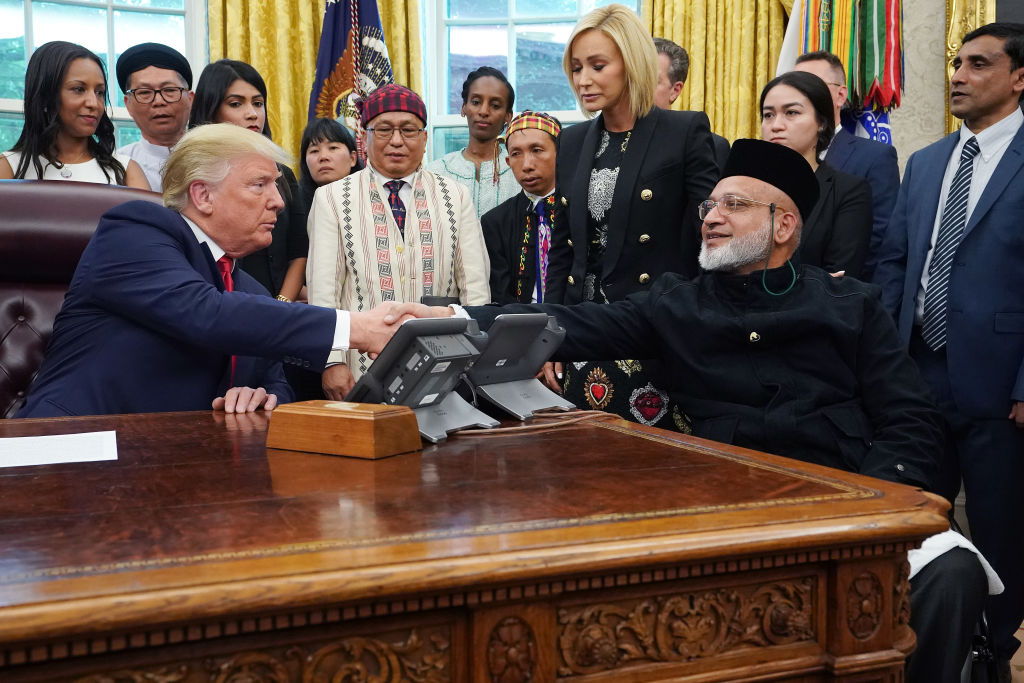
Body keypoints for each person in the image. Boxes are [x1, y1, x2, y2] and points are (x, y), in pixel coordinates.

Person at [432, 139, 993, 683]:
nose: (712, 216)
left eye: (735, 204)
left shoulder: (850, 304)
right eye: (710, 205)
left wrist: (878, 502)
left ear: (783, 225)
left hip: (847, 493)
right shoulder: (676, 302)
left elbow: (910, 417)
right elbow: (566, 323)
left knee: (951, 573)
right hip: (725, 509)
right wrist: (452, 315)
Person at [15, 123, 419, 419]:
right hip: (74, 451)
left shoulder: (251, 292)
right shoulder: (133, 231)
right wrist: (359, 327)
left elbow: (276, 379)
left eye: (276, 187)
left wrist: (262, 396)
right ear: (203, 195)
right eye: (260, 185)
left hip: (182, 476)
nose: (278, 202)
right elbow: (205, 313)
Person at [873, 22, 1024, 680]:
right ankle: (925, 644)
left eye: (978, 64)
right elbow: (895, 265)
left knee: (1000, 528)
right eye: (956, 63)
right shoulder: (927, 160)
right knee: (918, 524)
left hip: (998, 383)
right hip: (916, 375)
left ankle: (995, 652)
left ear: (1019, 77)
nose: (958, 75)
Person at [547, 4, 718, 431]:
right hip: (581, 336)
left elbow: (712, 241)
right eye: (576, 68)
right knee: (582, 471)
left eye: (597, 66)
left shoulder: (684, 132)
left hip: (654, 335)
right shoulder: (570, 141)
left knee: (653, 477)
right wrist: (545, 338)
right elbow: (564, 252)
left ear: (633, 63)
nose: (582, 80)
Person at [306, 84, 491, 399]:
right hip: (359, 368)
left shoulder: (455, 196)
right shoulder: (332, 198)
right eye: (384, 130)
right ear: (364, 137)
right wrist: (331, 361)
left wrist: (474, 359)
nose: (396, 141)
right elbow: (324, 294)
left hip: (444, 366)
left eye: (408, 130)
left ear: (424, 138)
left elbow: (475, 288)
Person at [188, 59, 308, 304]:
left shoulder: (282, 172)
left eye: (258, 103)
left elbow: (299, 251)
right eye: (236, 103)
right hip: (218, 306)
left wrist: (281, 302)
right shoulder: (194, 174)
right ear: (211, 110)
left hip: (281, 309)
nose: (252, 113)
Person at [793, 51, 900, 280]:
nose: (800, 95)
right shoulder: (773, 159)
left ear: (841, 95)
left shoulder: (874, 157)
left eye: (812, 85)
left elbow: (880, 244)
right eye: (794, 87)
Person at [760, 71, 873, 278]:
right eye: (768, 115)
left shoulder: (847, 191)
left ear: (821, 122)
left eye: (791, 113)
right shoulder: (746, 188)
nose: (776, 125)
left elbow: (839, 279)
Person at [0, 41, 149, 189]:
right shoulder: (8, 167)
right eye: (78, 89)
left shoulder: (126, 171)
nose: (94, 103)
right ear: (45, 95)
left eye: (99, 92)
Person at [481, 111, 561, 305]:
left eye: (537, 150)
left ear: (561, 152)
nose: (527, 165)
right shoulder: (495, 222)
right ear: (508, 162)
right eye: (516, 154)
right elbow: (499, 294)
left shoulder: (583, 211)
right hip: (519, 327)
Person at [426, 66, 519, 220]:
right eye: (476, 102)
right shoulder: (435, 173)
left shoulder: (520, 172)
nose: (483, 111)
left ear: (508, 116)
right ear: (464, 108)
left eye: (495, 105)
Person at [115, 42, 194, 191]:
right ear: (128, 104)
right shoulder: (117, 167)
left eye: (169, 90)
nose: (159, 101)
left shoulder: (218, 160)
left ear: (190, 99)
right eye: (145, 92)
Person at [652, 37, 730, 170]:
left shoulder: (712, 147)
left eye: (651, 80)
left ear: (675, 90)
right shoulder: (608, 135)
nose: (637, 87)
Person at [298, 117, 362, 208]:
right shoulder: (293, 205)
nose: (323, 157)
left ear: (352, 158)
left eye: (333, 148)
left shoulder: (372, 198)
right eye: (314, 151)